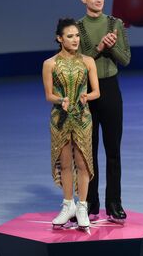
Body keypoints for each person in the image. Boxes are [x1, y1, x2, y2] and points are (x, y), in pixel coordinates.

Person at [77, 0, 131, 223]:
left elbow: (126, 59)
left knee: (113, 150)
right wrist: (99, 46)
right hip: (86, 92)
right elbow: (78, 62)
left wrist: (110, 48)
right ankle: (90, 203)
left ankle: (114, 202)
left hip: (110, 90)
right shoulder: (77, 28)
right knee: (89, 152)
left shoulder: (115, 23)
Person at [42, 18, 100, 230]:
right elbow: (49, 95)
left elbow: (97, 91)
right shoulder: (49, 64)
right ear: (60, 39)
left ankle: (82, 206)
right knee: (65, 164)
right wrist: (61, 100)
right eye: (70, 36)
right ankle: (68, 205)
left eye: (77, 35)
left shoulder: (88, 61)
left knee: (84, 163)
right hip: (60, 118)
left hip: (83, 118)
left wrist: (87, 97)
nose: (75, 39)